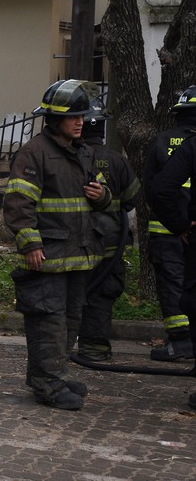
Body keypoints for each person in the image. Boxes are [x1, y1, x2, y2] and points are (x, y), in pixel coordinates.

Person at [4, 79, 110, 410]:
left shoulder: (85, 153)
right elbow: (19, 203)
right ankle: (48, 383)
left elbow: (103, 194)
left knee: (70, 320)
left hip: (77, 255)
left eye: (83, 116)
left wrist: (101, 195)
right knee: (47, 320)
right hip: (47, 255)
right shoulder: (34, 154)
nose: (81, 122)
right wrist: (30, 244)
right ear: (53, 120)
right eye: (73, 117)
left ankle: (55, 375)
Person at [74, 99, 141, 361]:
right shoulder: (116, 160)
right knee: (101, 294)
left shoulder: (69, 158)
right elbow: (132, 199)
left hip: (75, 241)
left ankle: (65, 347)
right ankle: (94, 349)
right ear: (101, 127)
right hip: (110, 244)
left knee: (74, 292)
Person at [142, 85, 196, 361]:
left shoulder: (163, 141)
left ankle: (180, 342)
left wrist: (178, 225)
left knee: (172, 285)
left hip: (167, 231)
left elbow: (152, 188)